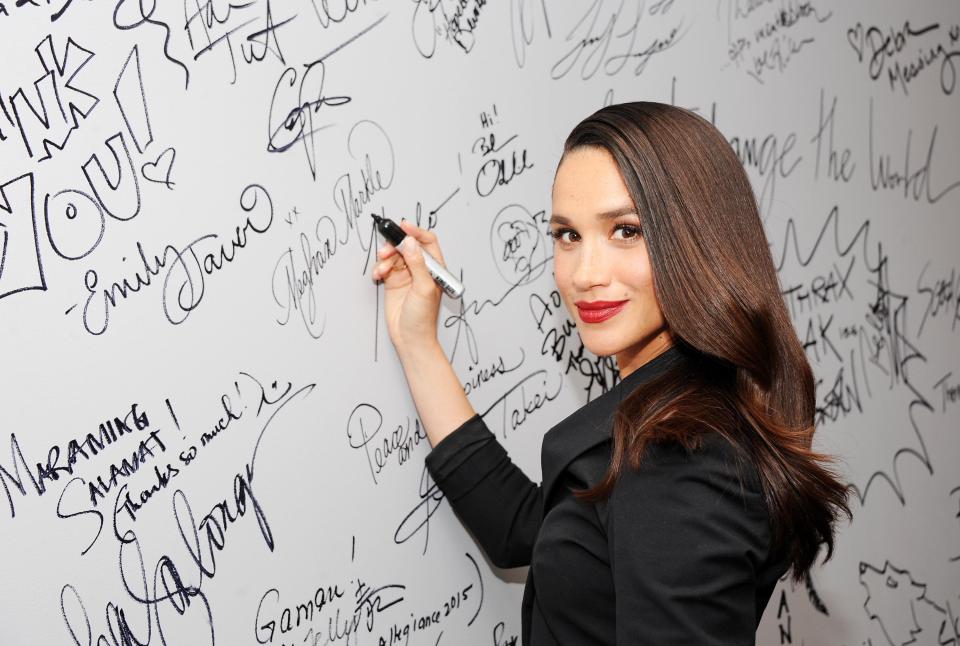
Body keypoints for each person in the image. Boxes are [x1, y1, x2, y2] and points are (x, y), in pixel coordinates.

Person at [370, 102, 852, 645]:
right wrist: (417, 341)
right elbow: (528, 533)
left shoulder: (680, 459)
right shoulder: (679, 409)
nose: (585, 274)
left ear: (697, 242)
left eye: (625, 231)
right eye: (567, 235)